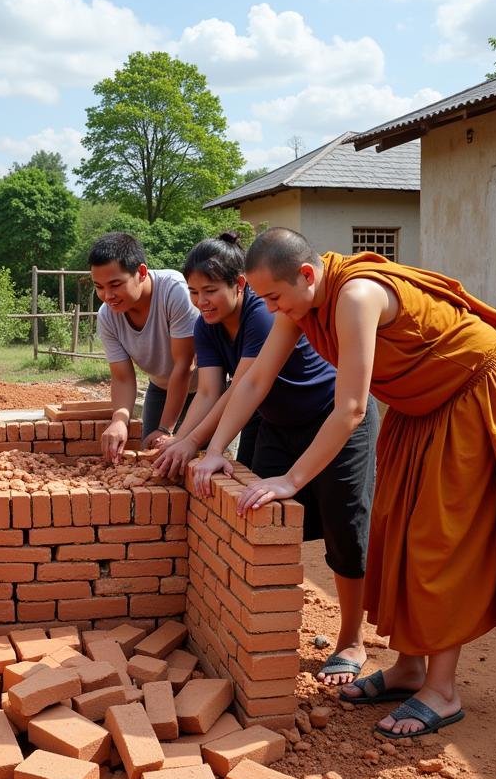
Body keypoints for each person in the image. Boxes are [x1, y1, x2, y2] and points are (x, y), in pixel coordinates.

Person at [194, 228, 496, 739]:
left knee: (438, 540)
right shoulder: (300, 306)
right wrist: (213, 453)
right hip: (420, 406)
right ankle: (410, 669)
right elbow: (253, 380)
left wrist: (291, 480)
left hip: (475, 395)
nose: (271, 311)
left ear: (307, 274)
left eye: (274, 298)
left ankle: (443, 689)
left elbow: (352, 408)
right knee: (397, 528)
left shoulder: (356, 296)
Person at [160, 232, 378, 687]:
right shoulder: (226, 322)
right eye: (193, 293)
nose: (201, 302)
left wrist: (208, 446)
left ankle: (352, 638)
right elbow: (227, 388)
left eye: (210, 291)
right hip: (277, 422)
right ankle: (259, 621)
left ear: (239, 285)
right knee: (261, 513)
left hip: (332, 418)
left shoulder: (270, 310)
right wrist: (202, 447)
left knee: (344, 525)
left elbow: (251, 384)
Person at [89, 233, 198, 460]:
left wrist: (166, 429)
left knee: (194, 459)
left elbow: (184, 365)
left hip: (204, 390)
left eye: (115, 285)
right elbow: (122, 377)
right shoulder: (107, 316)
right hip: (160, 387)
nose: (108, 296)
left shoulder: (174, 291)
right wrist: (119, 420)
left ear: (141, 272)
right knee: (153, 458)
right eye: (99, 287)